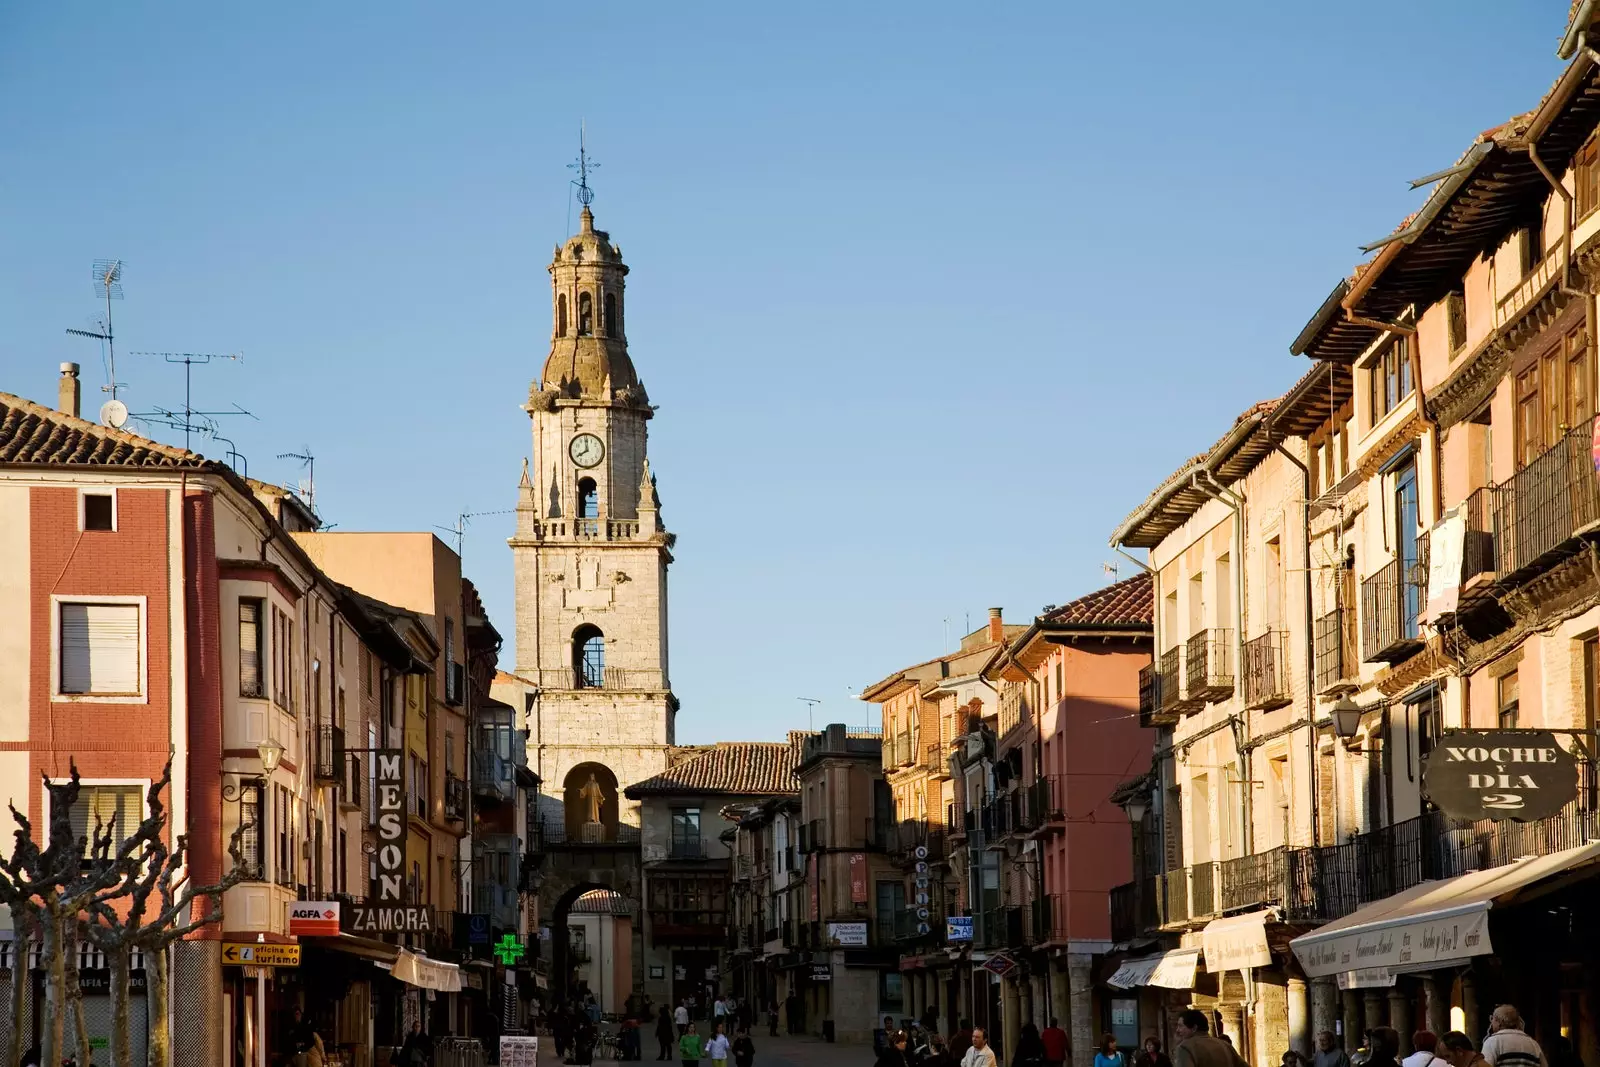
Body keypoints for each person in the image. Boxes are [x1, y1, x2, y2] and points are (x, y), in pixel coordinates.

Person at [1172, 1009, 1248, 1067]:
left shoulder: (1185, 1048)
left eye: (1181, 1026)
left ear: (1194, 1028)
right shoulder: (1224, 1045)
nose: (1178, 1030)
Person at [1482, 1006, 1547, 1067]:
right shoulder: (1534, 1044)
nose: (1491, 1022)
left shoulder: (1492, 1042)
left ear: (1499, 1022)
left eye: (1492, 1018)